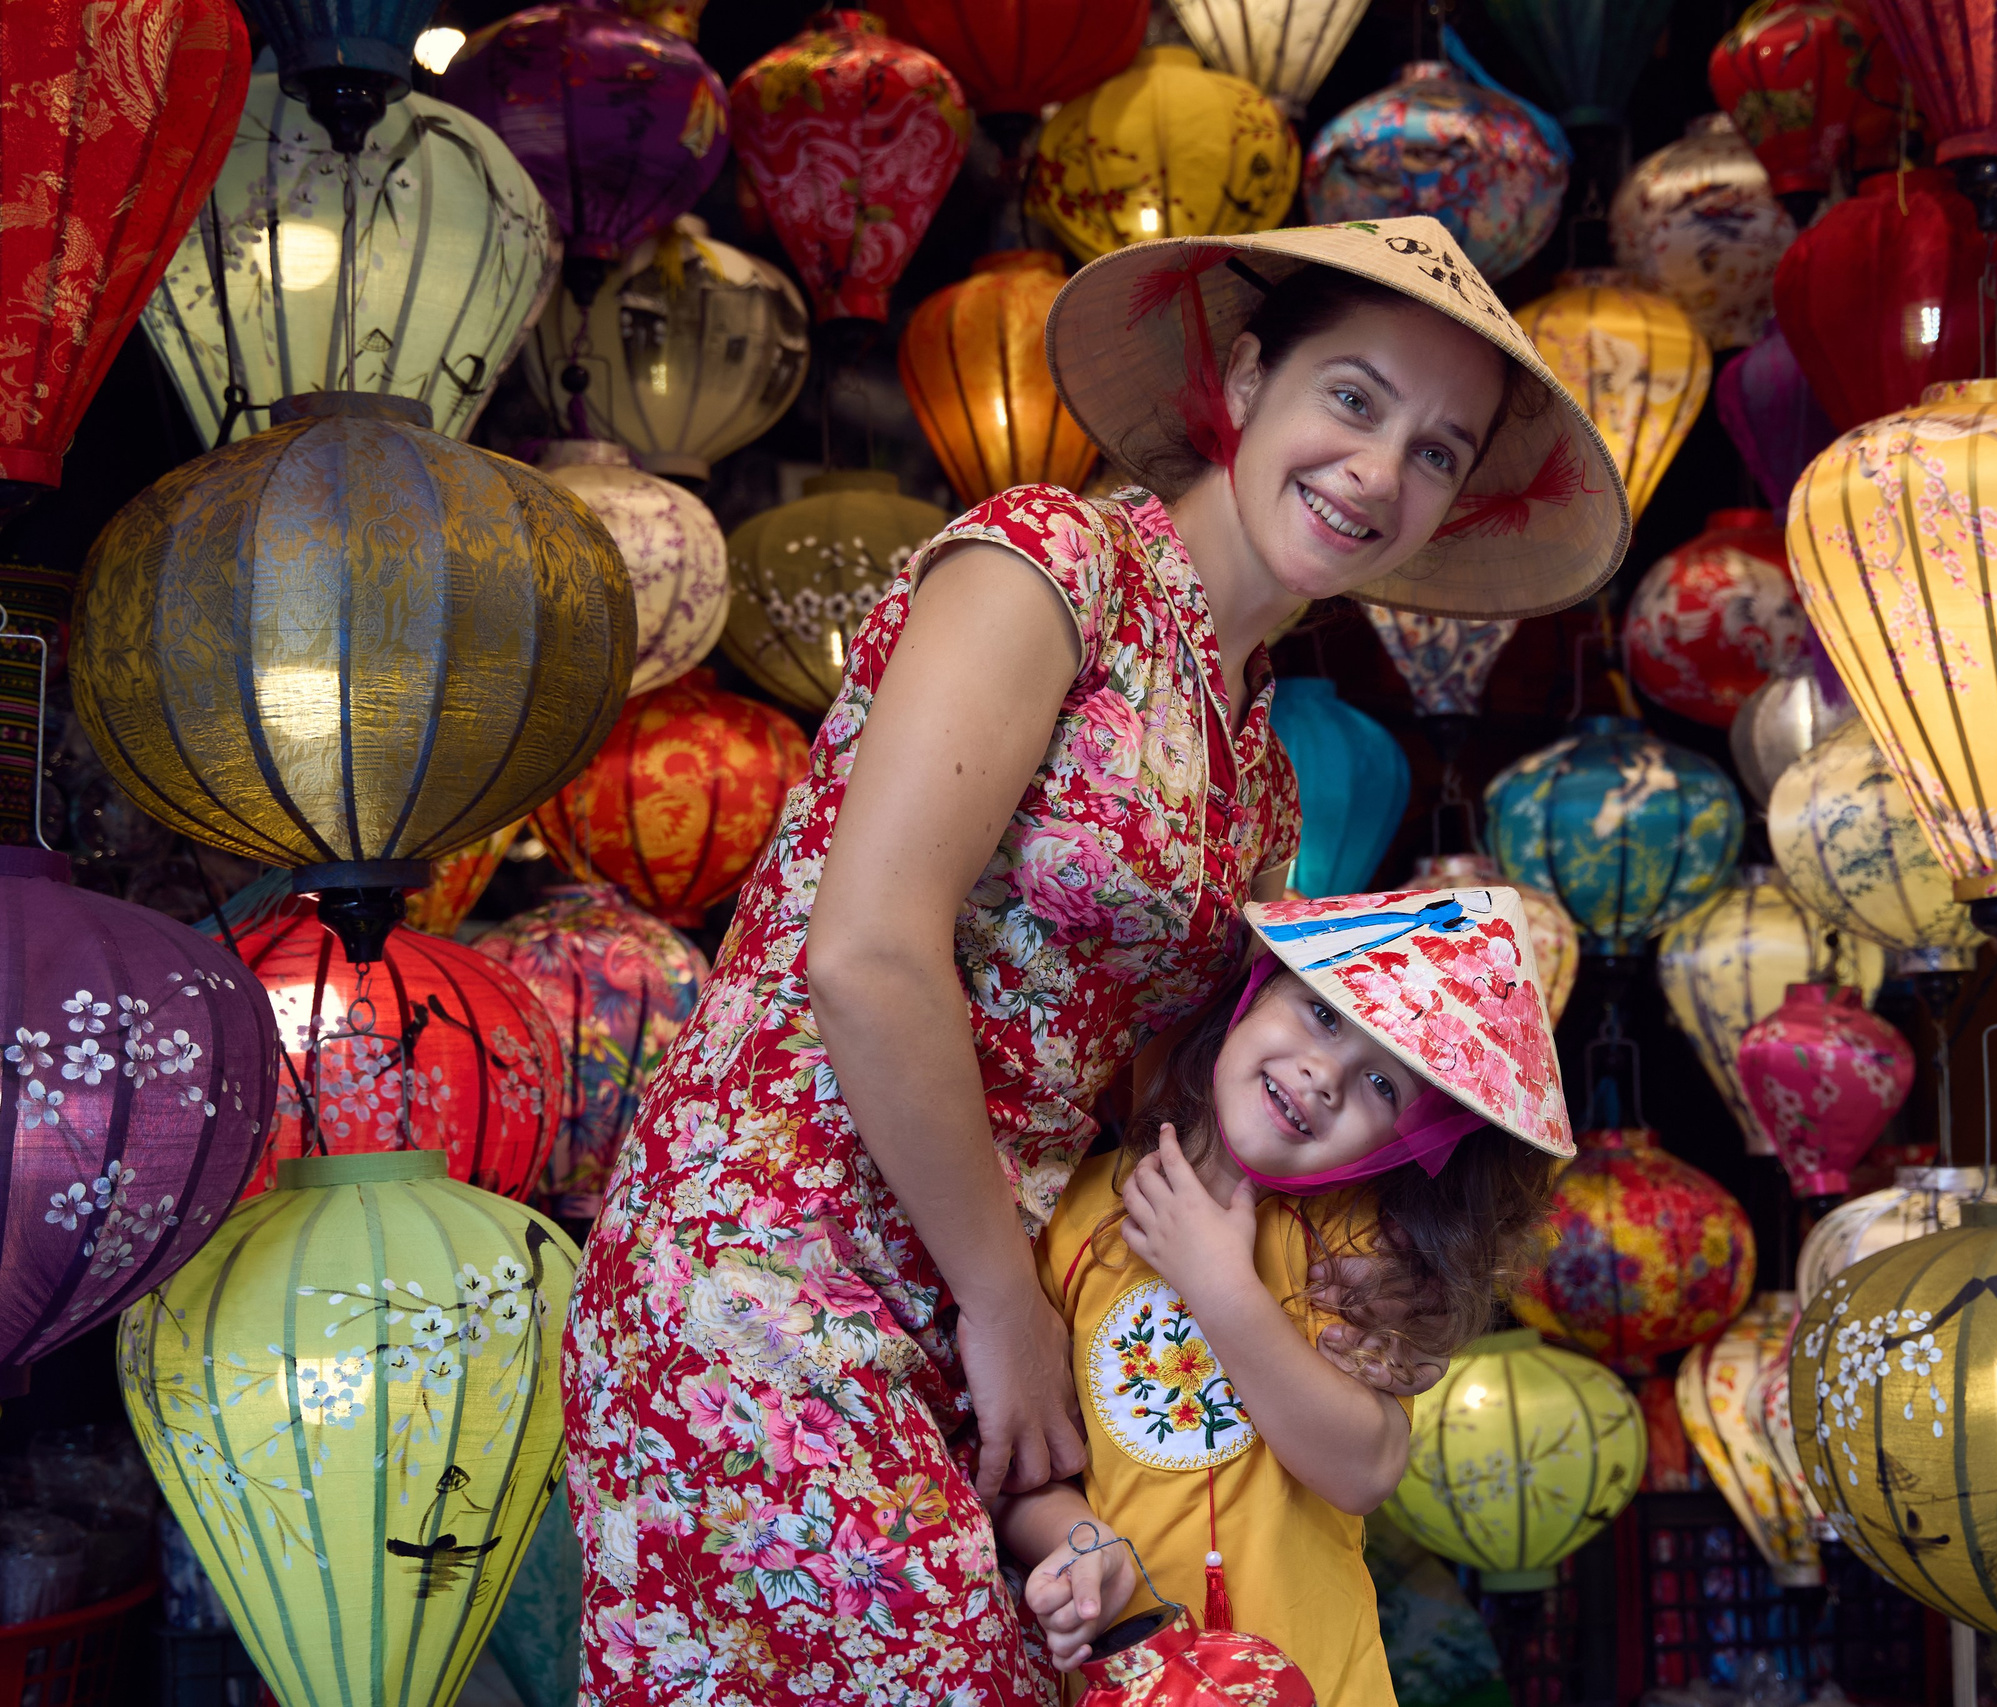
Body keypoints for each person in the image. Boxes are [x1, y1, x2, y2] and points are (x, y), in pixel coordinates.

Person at [560, 217, 1629, 1706]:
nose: (1380, 471)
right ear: (1248, 379)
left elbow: (1181, 1090)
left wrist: (1347, 1288)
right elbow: (866, 954)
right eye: (1355, 398)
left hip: (998, 1293)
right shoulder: (1051, 563)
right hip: (780, 1253)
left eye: (1440, 451)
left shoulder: (1261, 769)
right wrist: (1006, 1309)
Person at [999, 886, 1570, 1704]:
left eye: (1384, 1085)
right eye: (1324, 1014)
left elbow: (1365, 1466)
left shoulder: (1364, 1250)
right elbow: (1030, 1472)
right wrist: (1078, 1544)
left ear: (1404, 1141)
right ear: (1255, 991)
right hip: (1131, 1679)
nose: (1324, 1075)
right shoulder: (1073, 1221)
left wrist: (1221, 1287)